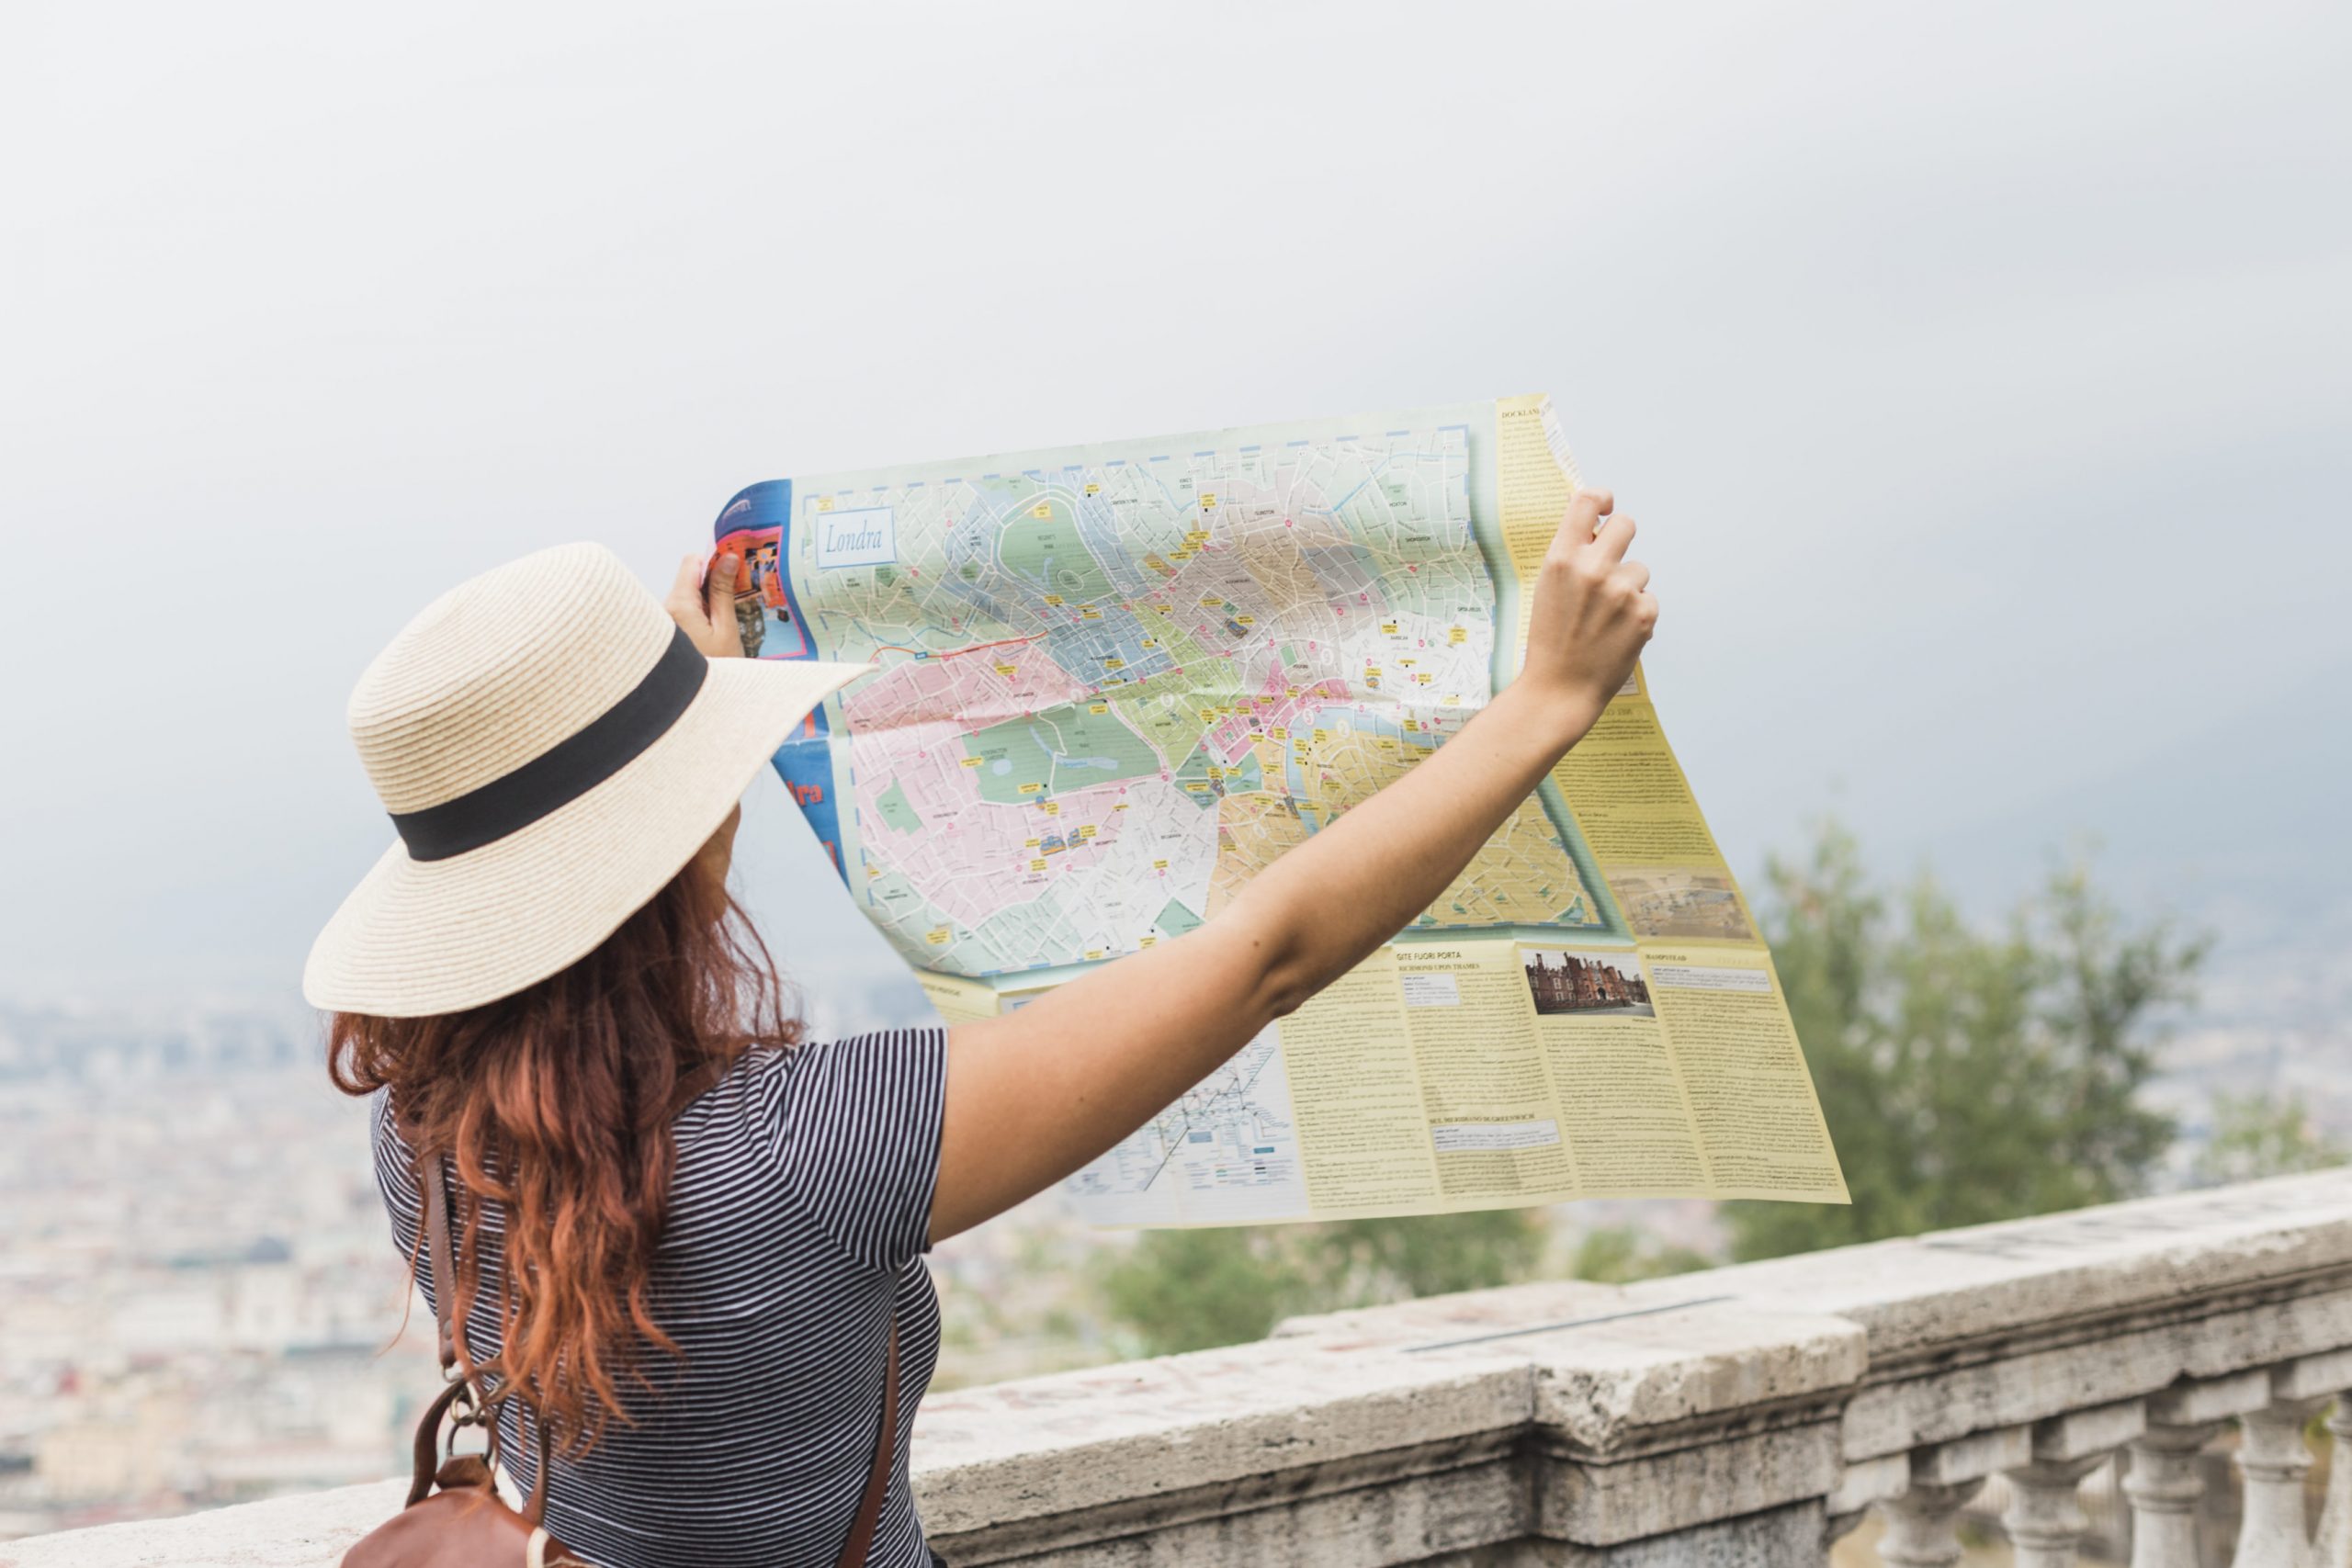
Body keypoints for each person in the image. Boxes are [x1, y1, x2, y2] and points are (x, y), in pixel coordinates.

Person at [309, 488, 1654, 1568]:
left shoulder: (423, 1140)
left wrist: (679, 733)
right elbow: (1266, 958)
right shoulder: (807, 1151)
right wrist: (1545, 701)